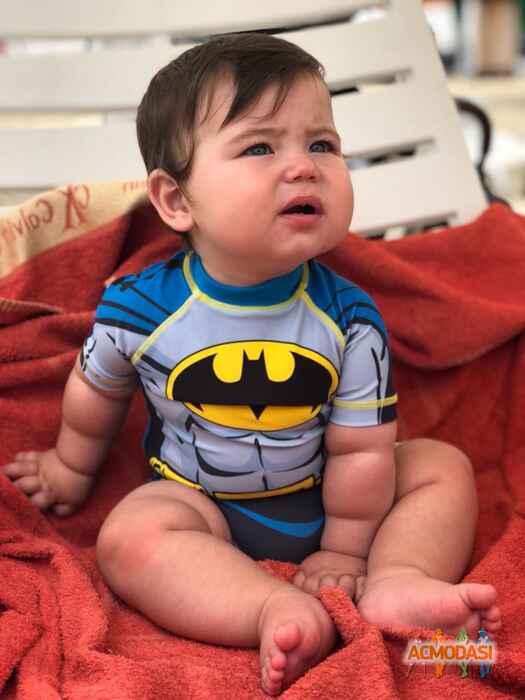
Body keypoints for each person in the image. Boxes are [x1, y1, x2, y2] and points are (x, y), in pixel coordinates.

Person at [2, 33, 501, 696]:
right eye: (260, 147)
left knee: (441, 467)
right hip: (200, 505)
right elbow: (95, 392)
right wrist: (70, 467)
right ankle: (269, 609)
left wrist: (346, 549)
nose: (303, 167)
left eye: (321, 144)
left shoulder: (349, 317)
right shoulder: (139, 308)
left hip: (331, 495)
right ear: (177, 201)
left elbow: (361, 448)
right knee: (130, 535)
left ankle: (397, 580)